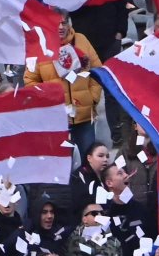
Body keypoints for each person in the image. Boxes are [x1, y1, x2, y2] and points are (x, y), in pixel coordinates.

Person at [24, 11, 102, 153]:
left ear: (69, 24)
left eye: (64, 23)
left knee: (88, 160)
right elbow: (30, 80)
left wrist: (93, 97)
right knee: (63, 162)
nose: (60, 27)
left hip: (83, 116)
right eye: (56, 23)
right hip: (56, 119)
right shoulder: (39, 46)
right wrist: (48, 99)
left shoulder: (81, 40)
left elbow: (97, 71)